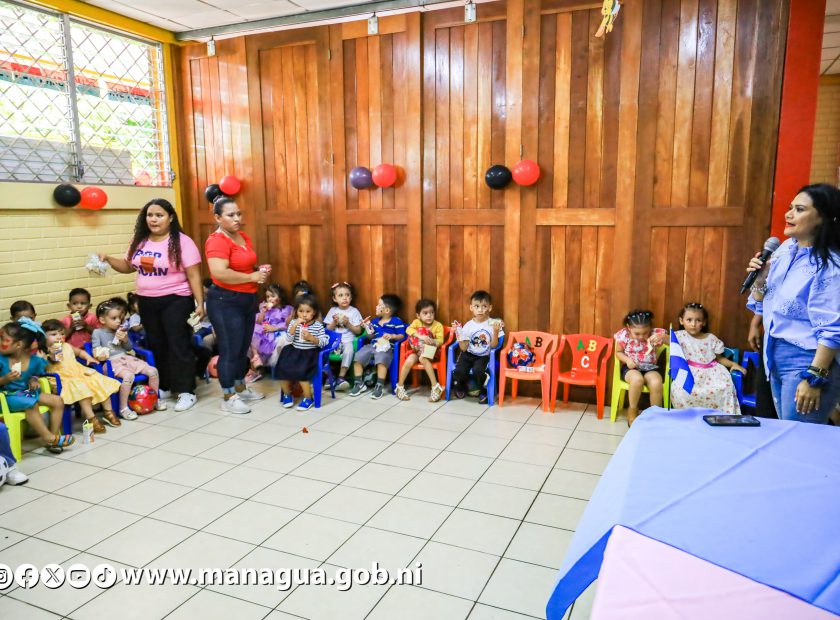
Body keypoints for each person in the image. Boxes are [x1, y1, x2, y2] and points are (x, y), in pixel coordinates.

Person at [98, 198, 203, 413]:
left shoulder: (182, 242)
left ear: (170, 218)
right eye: (150, 215)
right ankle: (164, 385)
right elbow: (128, 266)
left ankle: (186, 391)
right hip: (146, 300)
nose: (153, 219)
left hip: (176, 299)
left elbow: (194, 274)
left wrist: (200, 302)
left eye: (159, 215)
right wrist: (108, 259)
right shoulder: (140, 240)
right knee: (156, 343)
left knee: (178, 344)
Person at [746, 183, 840, 424]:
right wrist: (760, 279)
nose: (788, 214)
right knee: (784, 433)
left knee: (798, 437)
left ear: (822, 218)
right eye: (790, 207)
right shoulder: (784, 250)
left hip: (807, 359)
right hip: (773, 353)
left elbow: (833, 330)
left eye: (799, 209)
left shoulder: (830, 266)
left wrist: (815, 377)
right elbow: (761, 301)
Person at [205, 197, 268, 414]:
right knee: (230, 349)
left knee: (242, 348)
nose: (237, 218)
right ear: (217, 218)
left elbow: (245, 265)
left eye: (238, 214)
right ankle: (228, 396)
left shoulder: (242, 236)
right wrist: (251, 277)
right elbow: (220, 273)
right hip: (225, 301)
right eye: (230, 215)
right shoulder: (216, 241)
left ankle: (241, 387)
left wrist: (258, 271)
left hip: (246, 299)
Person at [0, 319, 73, 452]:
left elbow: (35, 374)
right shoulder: (1, 360)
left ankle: (53, 437)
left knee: (58, 401)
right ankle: (48, 437)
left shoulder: (34, 361)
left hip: (26, 392)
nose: (0, 342)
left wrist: (34, 379)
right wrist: (5, 379)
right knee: (31, 404)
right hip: (6, 396)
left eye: (3, 340)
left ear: (19, 345)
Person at [42, 319, 121, 433]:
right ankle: (91, 418)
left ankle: (108, 412)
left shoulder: (66, 346)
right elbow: (52, 362)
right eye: (53, 334)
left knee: (99, 380)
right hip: (61, 379)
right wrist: (52, 353)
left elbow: (79, 352)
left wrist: (88, 357)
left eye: (62, 334)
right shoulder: (44, 351)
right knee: (81, 388)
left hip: (78, 373)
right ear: (43, 336)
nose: (59, 337)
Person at [92, 299, 165, 420]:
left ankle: (155, 399)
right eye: (114, 318)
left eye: (119, 318)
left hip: (127, 359)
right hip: (111, 363)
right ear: (102, 320)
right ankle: (123, 408)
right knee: (128, 376)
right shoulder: (98, 333)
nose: (118, 321)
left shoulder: (121, 330)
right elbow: (96, 350)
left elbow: (129, 348)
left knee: (153, 371)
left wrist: (125, 340)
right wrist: (101, 353)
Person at [670, 303, 746, 415]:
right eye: (689, 320)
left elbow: (720, 359)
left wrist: (733, 364)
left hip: (712, 374)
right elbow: (666, 339)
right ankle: (687, 416)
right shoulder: (679, 336)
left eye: (698, 320)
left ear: (704, 322)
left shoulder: (711, 338)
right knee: (680, 390)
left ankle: (720, 417)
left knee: (725, 388)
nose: (693, 324)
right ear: (681, 321)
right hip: (690, 373)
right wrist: (659, 337)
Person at [276, 294, 329, 411]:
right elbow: (288, 339)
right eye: (301, 311)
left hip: (310, 354)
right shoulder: (294, 323)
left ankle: (308, 398)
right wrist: (294, 326)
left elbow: (324, 342)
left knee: (301, 372)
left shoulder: (318, 326)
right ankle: (287, 394)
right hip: (294, 351)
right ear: (296, 312)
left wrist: (312, 338)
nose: (304, 315)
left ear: (314, 312)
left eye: (308, 311)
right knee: (281, 370)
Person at [451, 290, 505, 405]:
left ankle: (483, 391)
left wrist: (495, 332)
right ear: (471, 308)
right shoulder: (468, 326)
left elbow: (494, 346)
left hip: (483, 356)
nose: (480, 310)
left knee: (478, 371)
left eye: (484, 306)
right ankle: (460, 386)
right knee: (459, 371)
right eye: (477, 306)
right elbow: (463, 348)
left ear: (490, 307)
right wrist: (458, 334)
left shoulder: (493, 323)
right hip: (468, 354)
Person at [614, 310, 667, 426]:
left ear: (650, 328)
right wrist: (627, 360)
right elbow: (618, 352)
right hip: (631, 369)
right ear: (629, 328)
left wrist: (662, 337)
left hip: (650, 367)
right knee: (637, 380)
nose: (641, 337)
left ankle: (656, 413)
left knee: (656, 382)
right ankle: (632, 409)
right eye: (637, 334)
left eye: (645, 333)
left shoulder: (654, 334)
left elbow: (672, 341)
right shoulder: (624, 336)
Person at [349, 294, 407, 399]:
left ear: (387, 310)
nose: (376, 307)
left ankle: (379, 385)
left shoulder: (396, 321)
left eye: (379, 305)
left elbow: (402, 335)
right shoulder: (375, 321)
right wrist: (367, 328)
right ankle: (359, 383)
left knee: (381, 358)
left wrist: (392, 336)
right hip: (373, 345)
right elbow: (370, 337)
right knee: (358, 356)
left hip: (387, 348)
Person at [395, 299, 445, 402]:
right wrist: (420, 336)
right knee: (409, 360)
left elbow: (440, 341)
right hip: (417, 350)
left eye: (431, 312)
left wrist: (432, 341)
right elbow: (408, 330)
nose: (429, 316)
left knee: (423, 358)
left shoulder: (438, 325)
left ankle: (435, 386)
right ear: (418, 315)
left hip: (431, 350)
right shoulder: (417, 322)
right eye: (425, 313)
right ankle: (399, 386)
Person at [324, 282, 364, 391]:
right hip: (334, 340)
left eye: (347, 295)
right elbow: (327, 330)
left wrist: (348, 324)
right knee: (322, 348)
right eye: (340, 295)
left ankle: (341, 377)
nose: (344, 298)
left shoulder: (354, 311)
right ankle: (330, 375)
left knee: (349, 350)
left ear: (351, 297)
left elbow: (358, 331)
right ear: (334, 298)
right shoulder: (333, 311)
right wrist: (334, 322)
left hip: (348, 341)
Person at [251, 284, 293, 367]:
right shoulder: (264, 307)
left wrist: (275, 328)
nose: (269, 299)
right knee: (253, 330)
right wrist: (263, 312)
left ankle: (271, 363)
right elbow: (259, 322)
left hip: (277, 329)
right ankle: (256, 356)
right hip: (265, 327)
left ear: (280, 297)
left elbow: (287, 324)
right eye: (267, 297)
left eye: (273, 296)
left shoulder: (286, 309)